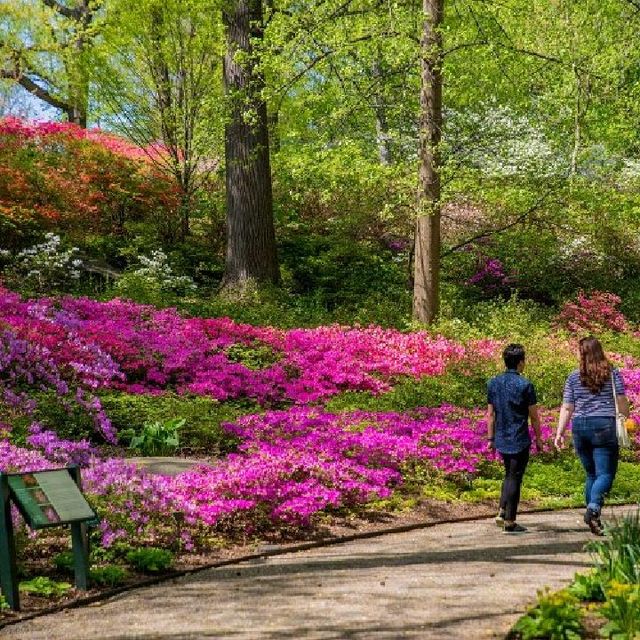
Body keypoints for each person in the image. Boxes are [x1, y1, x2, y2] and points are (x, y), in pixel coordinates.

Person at [554, 336, 629, 536]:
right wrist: (626, 417)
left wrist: (559, 432)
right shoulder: (612, 373)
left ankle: (592, 515)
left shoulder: (573, 377)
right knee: (605, 474)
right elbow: (621, 399)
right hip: (604, 424)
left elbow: (567, 407)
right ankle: (593, 509)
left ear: (582, 353)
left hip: (580, 426)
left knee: (591, 474)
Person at [487, 344, 543, 533]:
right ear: (520, 362)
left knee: (508, 474)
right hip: (519, 437)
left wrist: (490, 439)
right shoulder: (525, 385)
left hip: (501, 436)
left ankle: (502, 511)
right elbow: (534, 416)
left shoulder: (493, 383)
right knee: (515, 477)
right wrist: (539, 439)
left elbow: (491, 415)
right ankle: (510, 521)